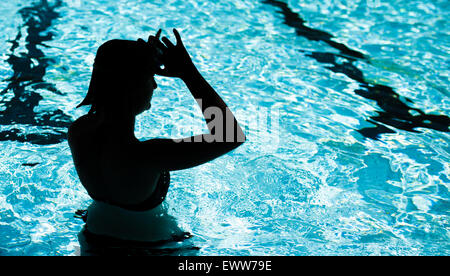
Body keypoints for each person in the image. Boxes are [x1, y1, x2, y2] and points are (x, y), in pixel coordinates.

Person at [68, 29, 246, 250]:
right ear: (130, 89)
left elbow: (111, 70)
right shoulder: (148, 156)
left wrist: (138, 57)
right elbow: (230, 135)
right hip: (150, 248)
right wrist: (188, 72)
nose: (155, 86)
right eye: (149, 78)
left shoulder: (79, 132)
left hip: (93, 239)